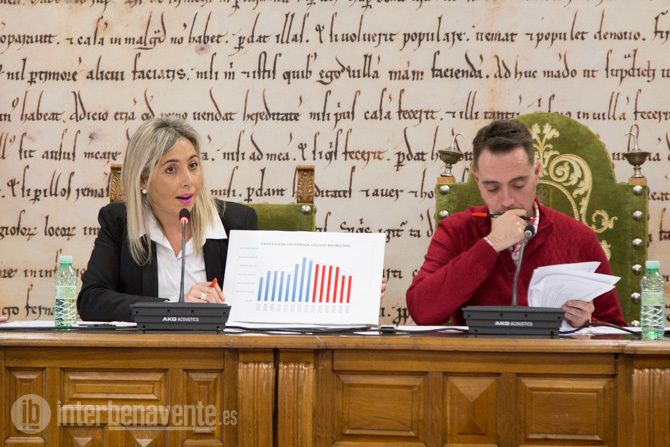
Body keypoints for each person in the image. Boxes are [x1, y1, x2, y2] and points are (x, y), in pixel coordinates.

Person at [406, 120, 626, 327]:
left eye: (518, 184)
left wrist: (586, 323)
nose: (507, 200)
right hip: (479, 355)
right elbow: (422, 312)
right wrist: (490, 244)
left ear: (536, 173)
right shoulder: (457, 230)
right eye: (492, 188)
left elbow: (616, 331)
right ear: (478, 181)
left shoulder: (578, 237)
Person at [77, 118, 258, 321]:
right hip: (149, 343)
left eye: (193, 165)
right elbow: (91, 301)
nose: (188, 181)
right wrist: (174, 306)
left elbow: (256, 306)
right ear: (143, 179)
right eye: (171, 169)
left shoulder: (237, 223)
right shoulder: (118, 222)